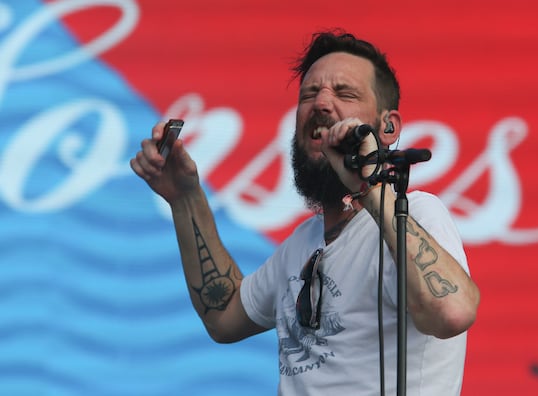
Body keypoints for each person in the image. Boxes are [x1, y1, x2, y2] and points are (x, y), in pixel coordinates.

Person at [131, 30, 480, 395]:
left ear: (387, 126)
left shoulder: (416, 213)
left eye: (345, 93)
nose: (322, 103)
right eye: (309, 94)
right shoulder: (304, 242)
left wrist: (369, 186)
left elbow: (452, 312)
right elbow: (223, 315)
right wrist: (186, 197)